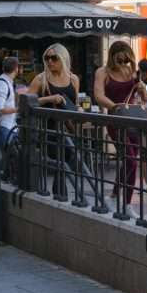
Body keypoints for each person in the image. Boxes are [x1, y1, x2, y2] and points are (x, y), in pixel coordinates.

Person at [28, 44, 96, 201]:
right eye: (47, 58)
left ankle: (60, 195)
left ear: (63, 59)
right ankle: (61, 195)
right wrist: (47, 98)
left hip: (68, 127)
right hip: (49, 128)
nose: (50, 61)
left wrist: (79, 108)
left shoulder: (73, 79)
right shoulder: (41, 79)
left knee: (66, 161)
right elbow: (25, 103)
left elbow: (75, 101)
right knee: (60, 162)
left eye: (54, 58)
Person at [94, 41, 147, 218]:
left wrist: (142, 88)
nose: (123, 63)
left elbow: (145, 99)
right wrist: (115, 108)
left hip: (133, 120)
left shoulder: (131, 71)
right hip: (116, 120)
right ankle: (114, 196)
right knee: (131, 160)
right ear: (112, 57)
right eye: (119, 60)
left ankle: (126, 204)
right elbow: (99, 96)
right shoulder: (102, 72)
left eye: (126, 60)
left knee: (131, 161)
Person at [0, 57, 19, 154]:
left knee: (9, 159)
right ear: (16, 69)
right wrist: (16, 110)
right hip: (3, 127)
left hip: (8, 126)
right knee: (5, 159)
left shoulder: (6, 82)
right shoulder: (2, 84)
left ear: (3, 68)